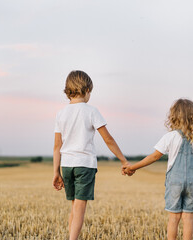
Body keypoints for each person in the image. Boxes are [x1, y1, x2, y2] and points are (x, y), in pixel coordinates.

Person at [52, 70, 130, 240]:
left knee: (74, 206)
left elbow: (57, 146)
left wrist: (56, 172)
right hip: (84, 165)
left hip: (66, 165)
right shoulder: (91, 111)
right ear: (87, 90)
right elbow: (108, 139)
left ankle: (70, 236)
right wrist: (124, 160)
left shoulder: (61, 113)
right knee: (80, 207)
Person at [124, 98, 193, 240]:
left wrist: (133, 167)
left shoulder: (170, 137)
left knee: (174, 218)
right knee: (188, 217)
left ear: (174, 116)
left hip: (175, 182)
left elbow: (154, 157)